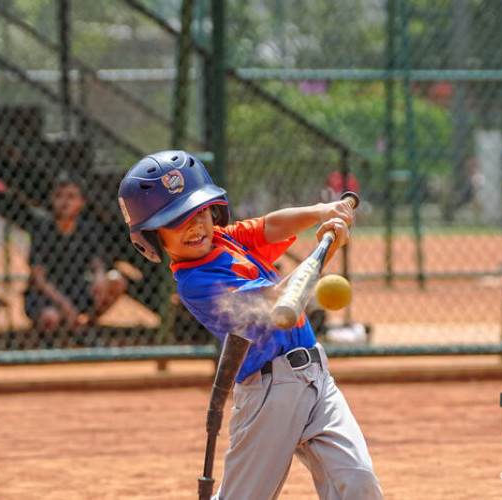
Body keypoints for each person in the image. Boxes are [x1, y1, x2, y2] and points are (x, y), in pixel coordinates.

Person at [118, 151, 382, 499]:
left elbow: (270, 227)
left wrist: (322, 212)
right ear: (151, 238)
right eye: (178, 221)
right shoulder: (196, 282)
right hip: (269, 394)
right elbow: (277, 302)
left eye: (200, 212)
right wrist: (325, 250)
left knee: (358, 483)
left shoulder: (224, 239)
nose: (196, 226)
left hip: (317, 379)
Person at [25, 172, 126, 334]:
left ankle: (87, 327)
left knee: (116, 280)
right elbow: (39, 278)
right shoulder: (42, 229)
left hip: (76, 289)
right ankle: (56, 337)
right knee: (51, 318)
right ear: (52, 200)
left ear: (81, 203)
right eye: (59, 196)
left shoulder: (86, 228)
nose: (65, 202)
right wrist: (65, 306)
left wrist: (99, 274)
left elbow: (96, 260)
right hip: (48, 296)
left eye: (71, 197)